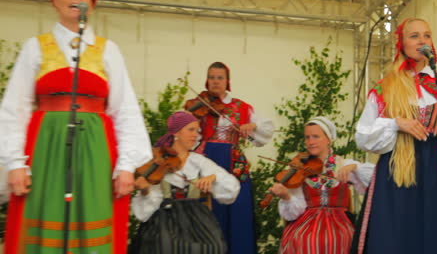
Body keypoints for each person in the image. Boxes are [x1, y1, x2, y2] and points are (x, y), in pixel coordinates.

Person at [0, 0, 153, 253]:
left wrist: (127, 165)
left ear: (92, 4)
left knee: (93, 218)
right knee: (42, 217)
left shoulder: (109, 51)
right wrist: (14, 163)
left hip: (96, 152)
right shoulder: (35, 47)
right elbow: (15, 108)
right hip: (45, 150)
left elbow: (124, 109)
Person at [352, 18, 437, 254]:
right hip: (397, 173)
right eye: (414, 36)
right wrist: (395, 123)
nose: (422, 40)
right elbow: (363, 137)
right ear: (402, 44)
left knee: (435, 237)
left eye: (427, 35)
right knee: (395, 238)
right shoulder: (385, 88)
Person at [184, 61, 274, 253]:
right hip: (207, 161)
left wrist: (253, 126)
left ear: (227, 81)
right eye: (211, 77)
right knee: (209, 212)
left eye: (220, 78)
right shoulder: (199, 105)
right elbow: (188, 137)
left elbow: (265, 132)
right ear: (207, 80)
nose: (215, 82)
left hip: (234, 164)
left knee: (238, 212)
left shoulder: (240, 107)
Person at [129, 111, 240, 253]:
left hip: (197, 220)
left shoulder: (198, 161)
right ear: (176, 133)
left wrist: (213, 177)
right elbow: (144, 213)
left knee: (214, 246)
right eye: (191, 130)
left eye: (197, 131)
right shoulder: (156, 161)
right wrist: (145, 190)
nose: (196, 135)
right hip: (163, 218)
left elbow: (231, 188)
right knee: (165, 245)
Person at [268, 117, 374, 254]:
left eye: (315, 136)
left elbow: (376, 177)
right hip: (306, 222)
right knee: (305, 239)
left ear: (328, 139)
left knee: (341, 238)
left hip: (339, 222)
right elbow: (293, 214)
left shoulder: (343, 164)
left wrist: (354, 167)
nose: (310, 142)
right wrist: (286, 196)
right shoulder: (300, 168)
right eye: (307, 137)